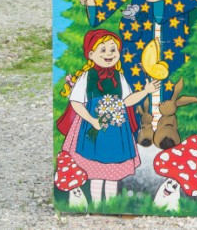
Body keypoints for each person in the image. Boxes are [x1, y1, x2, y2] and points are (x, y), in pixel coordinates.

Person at [56, 29, 160, 204]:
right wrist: (92, 120)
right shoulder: (86, 77)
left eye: (113, 49)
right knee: (96, 174)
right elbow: (76, 102)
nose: (109, 54)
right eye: (103, 50)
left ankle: (112, 204)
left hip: (116, 132)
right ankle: (97, 205)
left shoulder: (118, 76)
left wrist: (145, 91)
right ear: (91, 54)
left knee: (112, 174)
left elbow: (127, 100)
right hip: (92, 129)